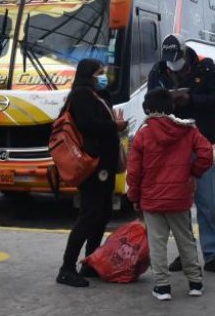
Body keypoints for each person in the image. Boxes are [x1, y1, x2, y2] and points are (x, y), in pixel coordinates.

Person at [147, 34, 215, 277]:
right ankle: (186, 254)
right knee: (179, 204)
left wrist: (190, 99)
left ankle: (213, 254)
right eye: (168, 61)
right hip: (172, 145)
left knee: (206, 202)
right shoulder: (158, 70)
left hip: (200, 144)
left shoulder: (205, 68)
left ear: (184, 54)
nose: (171, 64)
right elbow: (149, 102)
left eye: (175, 60)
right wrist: (168, 100)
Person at [127, 88, 213, 301]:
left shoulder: (143, 133)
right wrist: (193, 172)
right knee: (186, 240)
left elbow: (134, 171)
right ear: (172, 107)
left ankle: (163, 287)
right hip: (179, 197)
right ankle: (195, 283)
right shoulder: (187, 130)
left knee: (157, 243)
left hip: (151, 198)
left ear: (147, 108)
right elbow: (206, 154)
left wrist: (134, 197)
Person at [57, 58, 126, 288]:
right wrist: (113, 127)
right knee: (89, 215)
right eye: (99, 72)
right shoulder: (81, 95)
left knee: (103, 213)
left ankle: (90, 261)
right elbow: (87, 124)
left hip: (104, 165)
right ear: (88, 74)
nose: (103, 76)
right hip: (92, 166)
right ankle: (67, 268)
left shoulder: (99, 94)